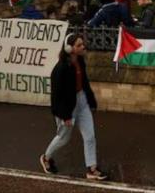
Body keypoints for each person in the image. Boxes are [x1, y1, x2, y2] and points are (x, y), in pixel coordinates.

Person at [40, 33, 108, 181]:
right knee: (63, 138)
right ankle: (46, 157)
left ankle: (92, 168)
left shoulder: (80, 61)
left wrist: (91, 100)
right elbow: (57, 96)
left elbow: (84, 82)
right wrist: (65, 115)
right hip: (67, 107)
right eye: (79, 45)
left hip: (82, 101)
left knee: (90, 136)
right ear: (69, 48)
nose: (83, 47)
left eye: (82, 44)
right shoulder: (60, 69)